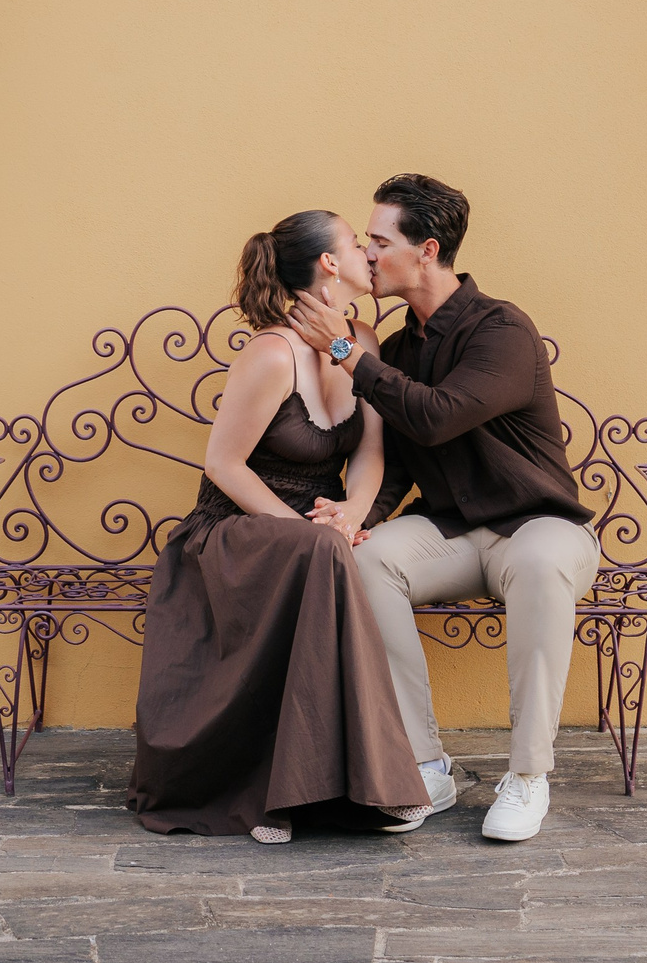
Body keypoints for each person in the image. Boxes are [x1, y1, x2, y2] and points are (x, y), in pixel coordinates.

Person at [286, 174, 599, 843]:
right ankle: (425, 766)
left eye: (380, 241)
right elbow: (399, 458)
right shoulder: (400, 350)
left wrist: (343, 350)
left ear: (427, 250)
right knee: (365, 562)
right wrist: (356, 518)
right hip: (454, 533)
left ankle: (528, 775)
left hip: (540, 526)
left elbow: (436, 416)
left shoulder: (501, 329)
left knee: (540, 562)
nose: (367, 255)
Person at [127, 211, 432, 844]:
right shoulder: (271, 353)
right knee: (321, 555)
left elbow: (370, 450)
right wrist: (310, 530)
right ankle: (278, 794)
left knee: (327, 555)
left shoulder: (362, 343)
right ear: (329, 264)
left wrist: (352, 513)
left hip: (315, 540)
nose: (369, 254)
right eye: (357, 243)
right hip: (236, 532)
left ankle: (341, 785)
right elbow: (223, 465)